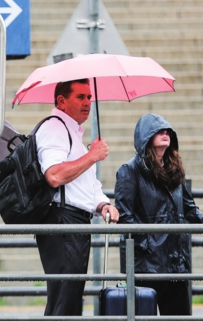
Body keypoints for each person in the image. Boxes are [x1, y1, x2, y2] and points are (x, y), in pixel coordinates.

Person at [114, 113, 203, 316]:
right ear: (145, 137)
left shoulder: (174, 170)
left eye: (168, 131)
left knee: (178, 317)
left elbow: (190, 210)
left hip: (176, 264)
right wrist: (147, 244)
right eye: (159, 130)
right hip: (146, 265)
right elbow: (125, 216)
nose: (165, 133)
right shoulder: (130, 171)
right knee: (143, 317)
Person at [34, 79, 120, 316]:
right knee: (64, 299)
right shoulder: (55, 128)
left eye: (89, 97)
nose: (87, 103)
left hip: (73, 222)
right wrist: (92, 156)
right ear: (61, 101)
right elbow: (54, 175)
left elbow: (85, 186)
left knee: (68, 299)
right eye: (80, 97)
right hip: (63, 220)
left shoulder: (70, 132)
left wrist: (103, 204)